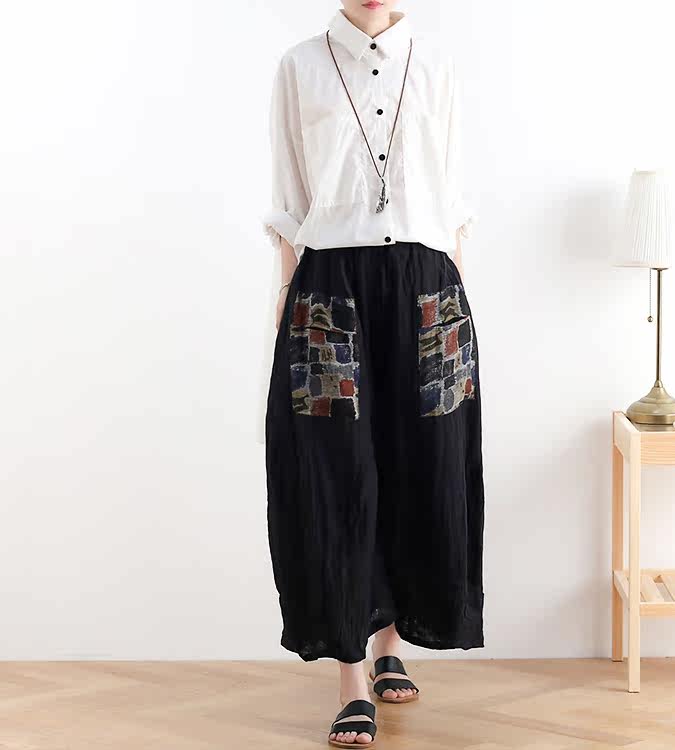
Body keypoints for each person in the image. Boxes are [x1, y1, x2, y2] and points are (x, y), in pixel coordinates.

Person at [262, 2, 485, 746]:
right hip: (328, 292)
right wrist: (283, 302)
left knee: (425, 465)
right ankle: (351, 678)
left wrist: (459, 299)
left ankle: (393, 646)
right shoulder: (301, 65)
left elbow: (452, 197)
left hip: (429, 289)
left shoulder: (438, 64)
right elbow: (289, 202)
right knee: (334, 474)